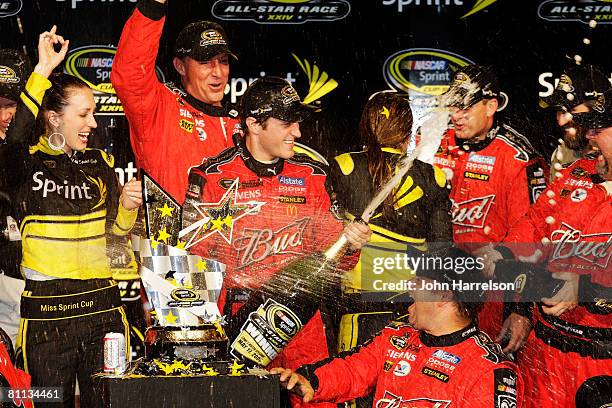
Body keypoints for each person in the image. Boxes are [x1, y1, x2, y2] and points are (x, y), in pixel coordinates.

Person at [182, 77, 371, 408]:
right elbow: (193, 266)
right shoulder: (213, 177)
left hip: (302, 322)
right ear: (254, 124)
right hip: (241, 322)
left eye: (297, 122)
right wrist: (205, 338)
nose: (297, 132)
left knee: (313, 402)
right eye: (286, 122)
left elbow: (333, 262)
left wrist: (351, 244)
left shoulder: (312, 177)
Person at [6, 29, 143, 407]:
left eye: (94, 113)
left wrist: (128, 210)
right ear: (53, 119)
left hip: (103, 311)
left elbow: (116, 238)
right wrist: (43, 70)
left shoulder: (100, 164)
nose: (94, 124)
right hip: (47, 317)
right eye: (83, 114)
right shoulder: (24, 163)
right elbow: (14, 139)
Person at [326, 92, 452, 406]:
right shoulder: (432, 177)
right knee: (404, 397)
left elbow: (325, 243)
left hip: (358, 314)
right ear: (409, 131)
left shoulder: (344, 166)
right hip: (412, 315)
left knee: (353, 392)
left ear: (365, 128)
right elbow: (442, 255)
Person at [271, 253, 524, 407]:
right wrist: (310, 380)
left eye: (418, 283)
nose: (410, 290)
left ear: (443, 296)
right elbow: (352, 370)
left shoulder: (489, 371)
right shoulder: (397, 337)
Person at [497, 89, 612, 408]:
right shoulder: (575, 173)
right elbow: (532, 227)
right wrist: (518, 306)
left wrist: (585, 287)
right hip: (543, 354)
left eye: (598, 129)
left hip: (601, 364)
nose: (588, 136)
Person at [433, 64, 548, 342]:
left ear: (491, 105)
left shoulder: (518, 158)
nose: (455, 115)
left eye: (465, 107)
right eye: (452, 106)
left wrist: (519, 309)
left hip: (493, 296)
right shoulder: (437, 143)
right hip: (439, 290)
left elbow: (531, 240)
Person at [112, 0, 241, 203]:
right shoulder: (160, 109)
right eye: (205, 62)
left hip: (227, 234)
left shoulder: (242, 122)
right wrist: (153, 5)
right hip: (170, 234)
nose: (218, 72)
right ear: (180, 66)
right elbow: (130, 73)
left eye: (223, 61)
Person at [0, 47, 31, 349]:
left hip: (34, 281)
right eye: (0, 105)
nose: (6, 115)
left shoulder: (43, 146)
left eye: (13, 106)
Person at [540, 64, 609, 181]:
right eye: (560, 111)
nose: (561, 122)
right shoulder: (562, 153)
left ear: (597, 110)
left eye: (571, 111)